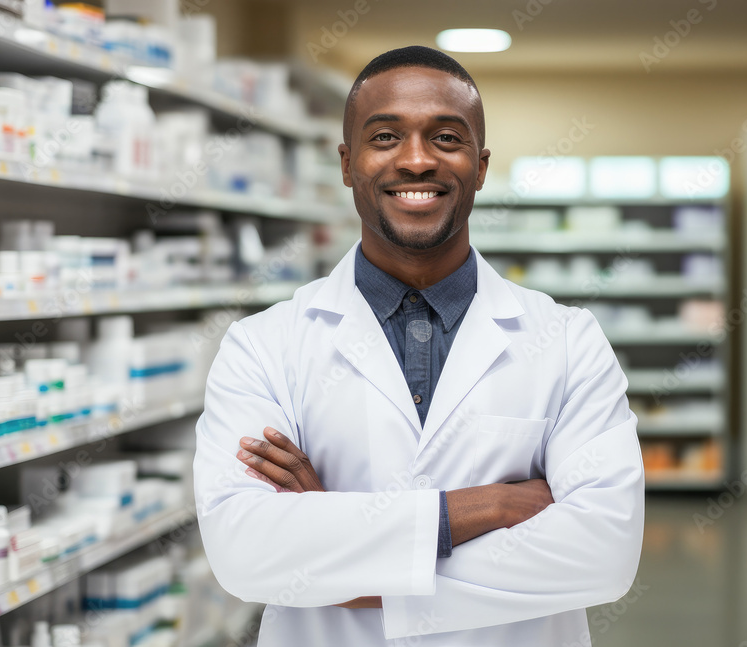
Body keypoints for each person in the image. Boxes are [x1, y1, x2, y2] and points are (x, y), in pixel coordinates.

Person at [193, 45, 644, 646]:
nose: (415, 161)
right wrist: (486, 507)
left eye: (446, 138)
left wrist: (349, 567)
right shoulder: (263, 346)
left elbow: (603, 552)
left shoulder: (567, 340)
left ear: (480, 167)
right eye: (384, 137)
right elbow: (245, 550)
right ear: (348, 163)